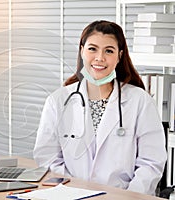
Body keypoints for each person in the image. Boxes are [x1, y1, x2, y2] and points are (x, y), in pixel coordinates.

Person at [33, 20, 167, 195]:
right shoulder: (58, 100)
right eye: (92, 49)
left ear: (119, 56)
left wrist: (126, 197)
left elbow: (151, 162)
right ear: (82, 51)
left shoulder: (140, 101)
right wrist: (74, 190)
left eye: (109, 51)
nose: (100, 58)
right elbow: (47, 157)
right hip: (71, 195)